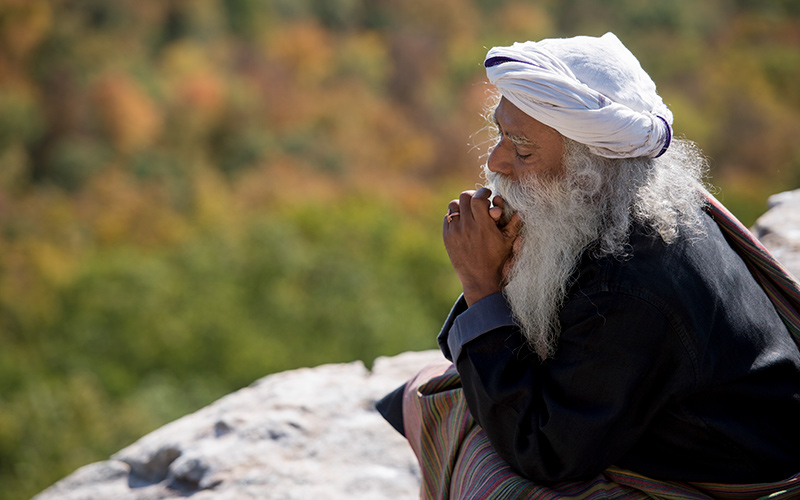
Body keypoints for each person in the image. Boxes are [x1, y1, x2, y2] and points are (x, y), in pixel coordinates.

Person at [377, 32, 800, 498]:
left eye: (522, 149)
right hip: (644, 426)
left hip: (727, 473)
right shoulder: (611, 207)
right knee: (445, 395)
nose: (496, 162)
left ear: (589, 170)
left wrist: (482, 283)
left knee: (490, 483)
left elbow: (544, 453)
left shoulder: (629, 284)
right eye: (500, 134)